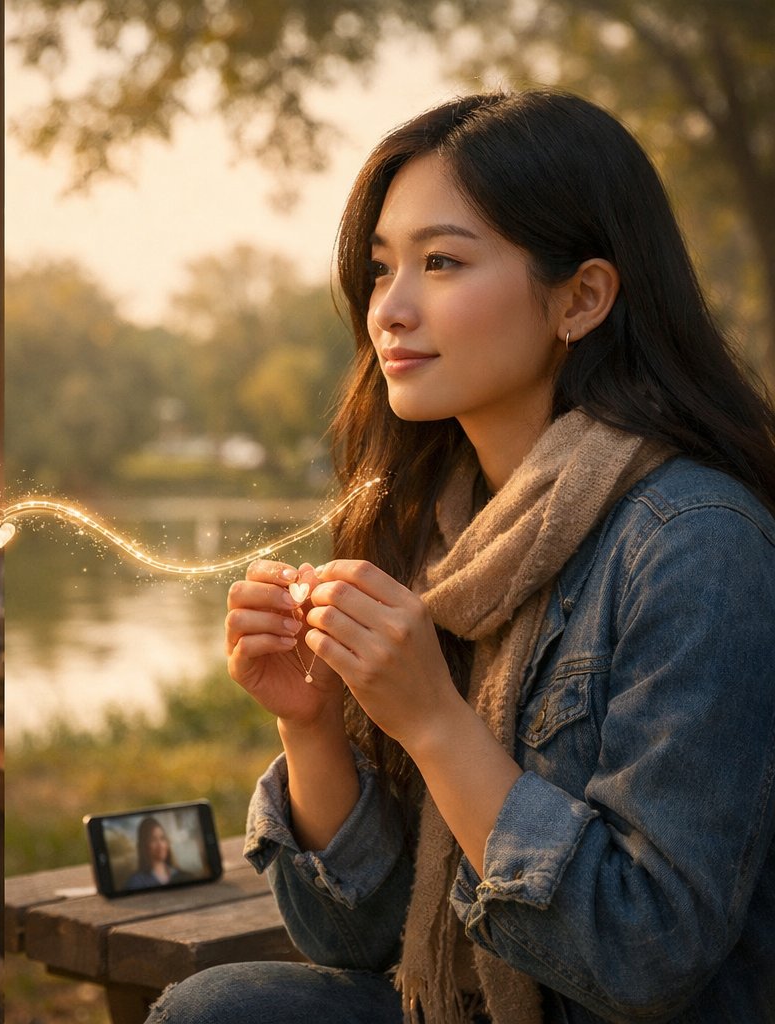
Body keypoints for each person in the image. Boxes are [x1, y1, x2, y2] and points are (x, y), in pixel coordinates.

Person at [150, 91, 775, 1023]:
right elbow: (357, 942)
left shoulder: (694, 544)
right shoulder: (433, 529)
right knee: (224, 1008)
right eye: (380, 269)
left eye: (441, 262)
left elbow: (646, 956)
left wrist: (437, 723)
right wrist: (310, 723)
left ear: (581, 298)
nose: (389, 311)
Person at [123, 816, 194, 892]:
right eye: (153, 840)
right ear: (144, 845)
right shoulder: (135, 883)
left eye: (162, 838)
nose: (161, 845)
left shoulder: (183, 875)